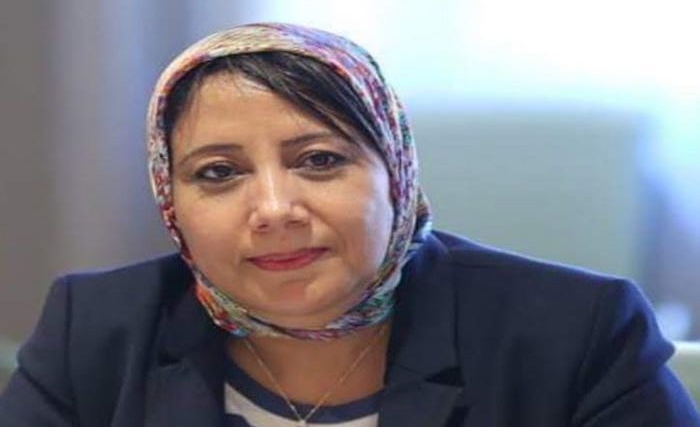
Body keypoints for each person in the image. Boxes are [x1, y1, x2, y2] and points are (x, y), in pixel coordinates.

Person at [0, 22, 698, 427]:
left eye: (319, 160)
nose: (274, 209)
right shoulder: (96, 331)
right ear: (170, 200)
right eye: (218, 172)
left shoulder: (577, 334)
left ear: (397, 175)